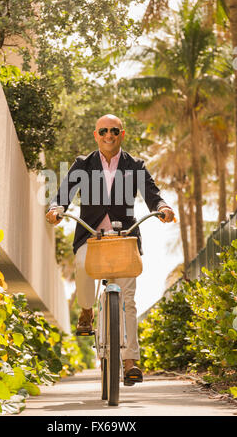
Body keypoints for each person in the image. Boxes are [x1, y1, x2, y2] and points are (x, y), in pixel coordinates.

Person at [46, 114, 174, 384]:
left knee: (127, 299)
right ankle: (86, 309)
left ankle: (129, 361)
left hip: (125, 237)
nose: (108, 135)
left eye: (114, 131)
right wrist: (56, 208)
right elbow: (64, 194)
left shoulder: (135, 165)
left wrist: (162, 207)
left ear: (121, 134)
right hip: (91, 237)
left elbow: (152, 193)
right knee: (82, 265)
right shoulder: (83, 164)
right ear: (96, 134)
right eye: (103, 130)